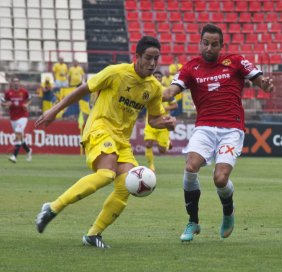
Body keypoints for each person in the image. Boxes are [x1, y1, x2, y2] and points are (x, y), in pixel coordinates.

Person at [34, 36, 176, 248]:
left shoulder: (154, 87)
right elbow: (83, 89)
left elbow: (154, 119)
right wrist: (54, 110)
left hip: (122, 140)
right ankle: (53, 207)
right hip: (99, 128)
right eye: (148, 58)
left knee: (126, 185)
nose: (153, 63)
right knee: (107, 174)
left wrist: (167, 123)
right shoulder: (116, 72)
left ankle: (93, 234)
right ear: (136, 57)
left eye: (156, 58)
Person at [163, 23, 274, 242]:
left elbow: (260, 80)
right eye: (205, 43)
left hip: (231, 129)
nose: (209, 48)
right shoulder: (191, 67)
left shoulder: (236, 61)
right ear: (200, 43)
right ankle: (193, 222)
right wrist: (161, 93)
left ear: (221, 46)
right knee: (190, 167)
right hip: (204, 127)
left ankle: (228, 213)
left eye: (214, 45)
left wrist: (265, 85)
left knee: (220, 179)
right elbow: (171, 91)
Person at [144, 70, 178, 171]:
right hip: (150, 121)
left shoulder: (166, 91)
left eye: (159, 77)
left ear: (161, 79)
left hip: (163, 122)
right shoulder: (147, 90)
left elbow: (175, 105)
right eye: (156, 77)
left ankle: (168, 143)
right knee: (148, 143)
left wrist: (165, 109)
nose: (157, 79)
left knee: (162, 151)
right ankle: (151, 166)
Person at [1, 77, 32, 163]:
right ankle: (28, 150)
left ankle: (14, 156)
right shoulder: (8, 93)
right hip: (13, 117)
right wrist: (6, 104)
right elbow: (2, 103)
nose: (16, 83)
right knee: (20, 137)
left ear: (19, 83)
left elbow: (30, 99)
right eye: (14, 82)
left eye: (17, 82)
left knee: (18, 132)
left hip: (23, 116)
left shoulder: (24, 92)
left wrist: (27, 105)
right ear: (12, 84)